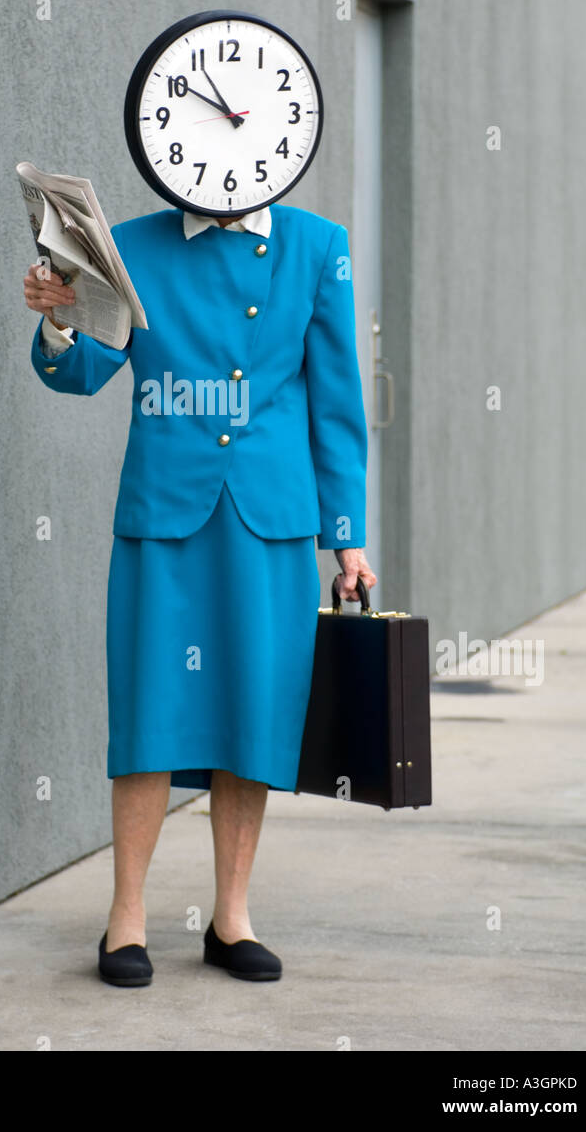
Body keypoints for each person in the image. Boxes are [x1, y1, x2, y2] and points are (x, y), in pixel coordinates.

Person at [24, 199, 376, 986]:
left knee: (255, 710)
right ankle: (126, 920)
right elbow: (82, 374)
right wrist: (57, 324)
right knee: (151, 708)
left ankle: (232, 918)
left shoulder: (318, 246)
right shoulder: (129, 246)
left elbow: (335, 397)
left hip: (272, 516)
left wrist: (345, 533)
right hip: (165, 509)